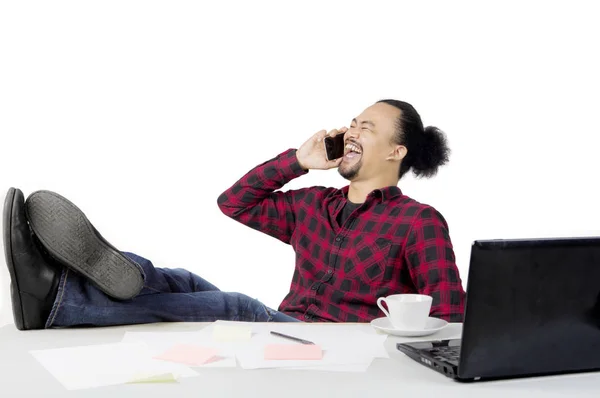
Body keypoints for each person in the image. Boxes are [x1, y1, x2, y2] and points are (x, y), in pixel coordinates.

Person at [3, 99, 466, 330]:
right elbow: (235, 203)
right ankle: (63, 279)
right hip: (288, 330)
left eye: (366, 127)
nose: (350, 130)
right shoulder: (314, 205)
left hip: (339, 345)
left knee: (237, 307)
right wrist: (297, 162)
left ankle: (59, 303)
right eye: (353, 122)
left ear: (397, 150)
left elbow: (450, 313)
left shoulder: (418, 222)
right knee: (180, 278)